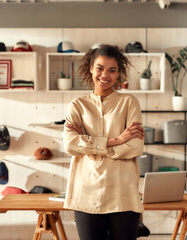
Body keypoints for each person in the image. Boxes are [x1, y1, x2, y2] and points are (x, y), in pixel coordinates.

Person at [62, 44, 145, 240]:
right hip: (86, 194)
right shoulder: (78, 105)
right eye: (99, 68)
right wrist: (115, 140)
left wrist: (90, 146)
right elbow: (70, 145)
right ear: (91, 68)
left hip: (123, 195)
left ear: (118, 74)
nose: (104, 74)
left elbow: (135, 146)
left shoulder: (129, 102)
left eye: (112, 70)